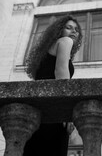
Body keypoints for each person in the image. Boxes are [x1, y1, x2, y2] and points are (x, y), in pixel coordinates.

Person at [24, 15, 83, 156]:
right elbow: (61, 73)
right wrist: (66, 113)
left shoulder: (46, 52)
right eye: (68, 28)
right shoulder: (65, 41)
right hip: (53, 108)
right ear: (59, 31)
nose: (73, 32)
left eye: (76, 29)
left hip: (37, 110)